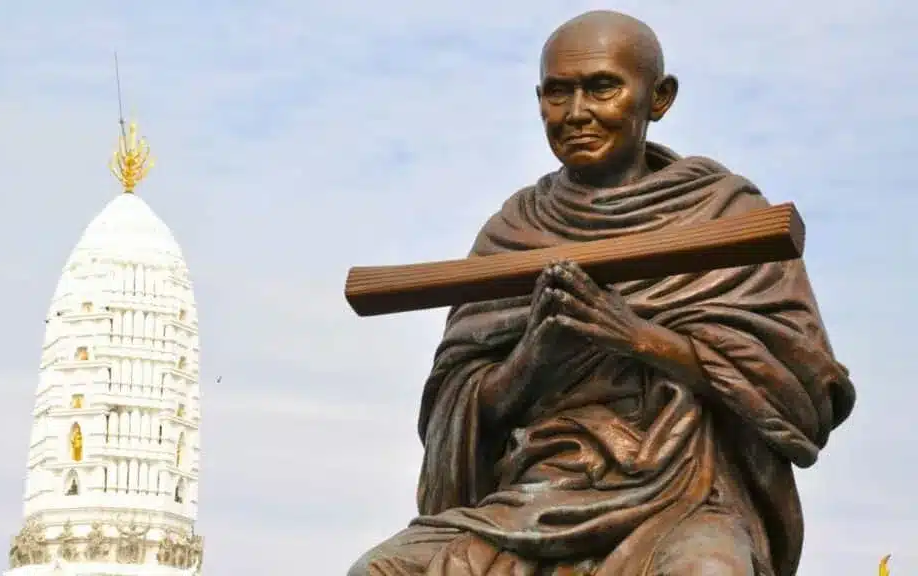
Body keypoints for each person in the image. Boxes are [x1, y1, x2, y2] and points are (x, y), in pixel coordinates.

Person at [349, 9, 855, 576]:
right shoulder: (513, 234)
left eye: (602, 88)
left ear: (658, 98)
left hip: (686, 494)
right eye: (557, 93)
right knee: (383, 570)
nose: (577, 113)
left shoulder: (725, 221)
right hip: (535, 496)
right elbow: (461, 412)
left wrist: (635, 337)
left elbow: (804, 401)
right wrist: (534, 357)